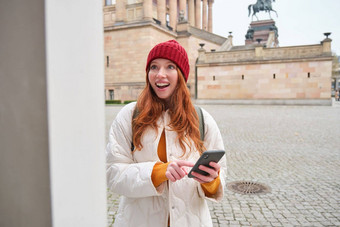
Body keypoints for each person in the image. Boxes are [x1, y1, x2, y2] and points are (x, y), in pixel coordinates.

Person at [106, 40, 227, 227]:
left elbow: (220, 178)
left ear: (181, 74)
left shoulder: (203, 119)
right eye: (154, 67)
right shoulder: (129, 115)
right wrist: (158, 172)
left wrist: (211, 181)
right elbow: (114, 173)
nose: (160, 74)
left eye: (170, 66)